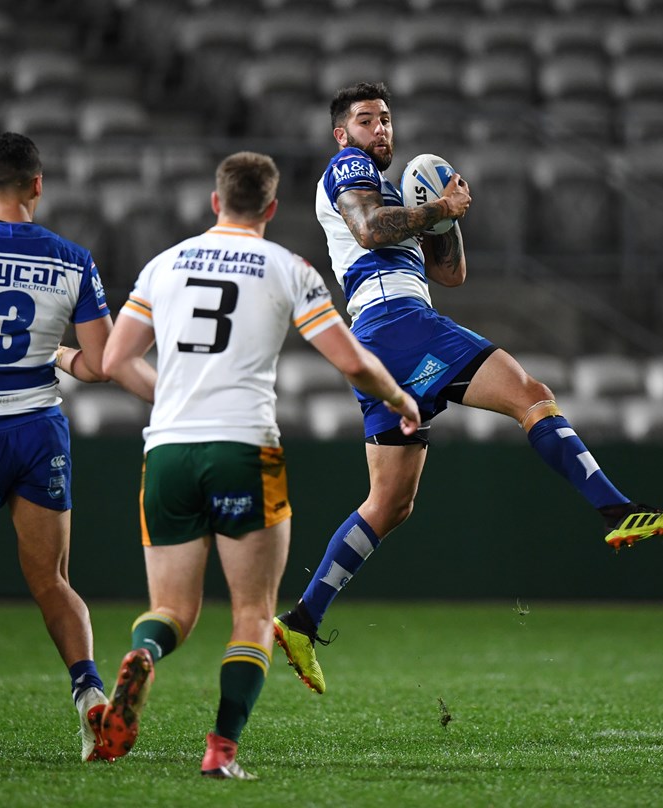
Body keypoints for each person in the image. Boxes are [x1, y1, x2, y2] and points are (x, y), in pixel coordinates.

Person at [273, 82, 663, 695]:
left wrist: (446, 213)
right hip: (399, 324)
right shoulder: (349, 168)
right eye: (366, 121)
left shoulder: (394, 188)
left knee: (390, 504)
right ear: (342, 134)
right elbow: (369, 231)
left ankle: (302, 622)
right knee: (531, 393)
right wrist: (433, 211)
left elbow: (451, 273)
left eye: (387, 119)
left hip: (383, 337)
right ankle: (619, 510)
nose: (380, 130)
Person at [96, 151, 420, 778]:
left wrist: (176, 399)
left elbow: (112, 361)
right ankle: (220, 752)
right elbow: (350, 360)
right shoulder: (286, 267)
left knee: (172, 611)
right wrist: (399, 399)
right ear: (271, 209)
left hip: (167, 450)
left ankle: (144, 653)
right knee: (251, 613)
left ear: (216, 202)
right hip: (245, 447)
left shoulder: (163, 264)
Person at [0, 132, 113, 760]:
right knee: (53, 581)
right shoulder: (72, 259)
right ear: (37, 185)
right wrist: (61, 354)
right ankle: (91, 695)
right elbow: (99, 364)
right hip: (38, 429)